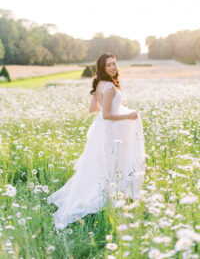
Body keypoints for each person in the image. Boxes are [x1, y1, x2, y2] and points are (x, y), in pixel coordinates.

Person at [47, 53, 145, 230]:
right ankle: (104, 198)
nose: (114, 68)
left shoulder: (99, 84)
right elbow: (107, 115)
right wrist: (128, 115)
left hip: (100, 130)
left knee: (98, 165)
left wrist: (112, 105)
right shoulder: (109, 88)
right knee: (108, 164)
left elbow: (93, 109)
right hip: (109, 131)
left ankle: (107, 194)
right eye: (109, 65)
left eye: (114, 64)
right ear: (102, 68)